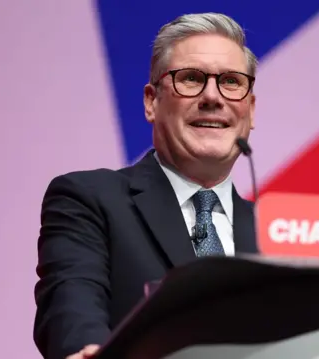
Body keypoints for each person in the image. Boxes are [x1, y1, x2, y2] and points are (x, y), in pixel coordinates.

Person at [33, 12, 258, 359]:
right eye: (191, 78)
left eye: (231, 82)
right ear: (152, 101)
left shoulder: (275, 233)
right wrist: (88, 351)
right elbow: (71, 302)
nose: (213, 97)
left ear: (251, 110)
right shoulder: (90, 199)